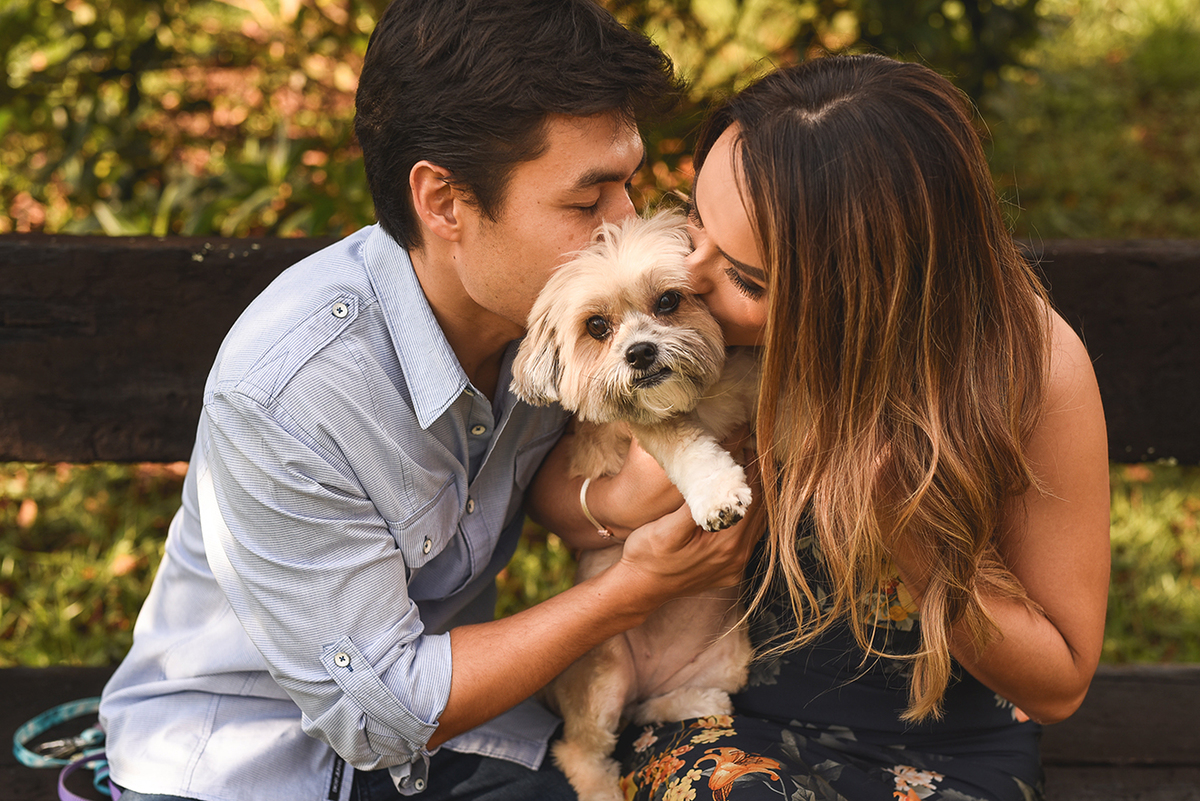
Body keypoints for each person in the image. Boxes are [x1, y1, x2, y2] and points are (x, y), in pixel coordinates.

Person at [98, 2, 763, 799]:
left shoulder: (556, 321)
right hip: (250, 763)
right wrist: (632, 589)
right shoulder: (290, 393)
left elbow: (579, 478)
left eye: (629, 184)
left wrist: (622, 500)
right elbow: (382, 714)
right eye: (588, 202)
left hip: (453, 731)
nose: (622, 224)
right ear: (444, 203)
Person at [530, 54, 1110, 800]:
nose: (692, 272)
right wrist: (623, 501)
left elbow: (1060, 683)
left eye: (746, 276)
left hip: (947, 742)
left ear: (857, 295)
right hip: (717, 710)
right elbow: (553, 494)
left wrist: (913, 537)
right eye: (696, 220)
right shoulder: (702, 331)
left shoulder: (1029, 363)